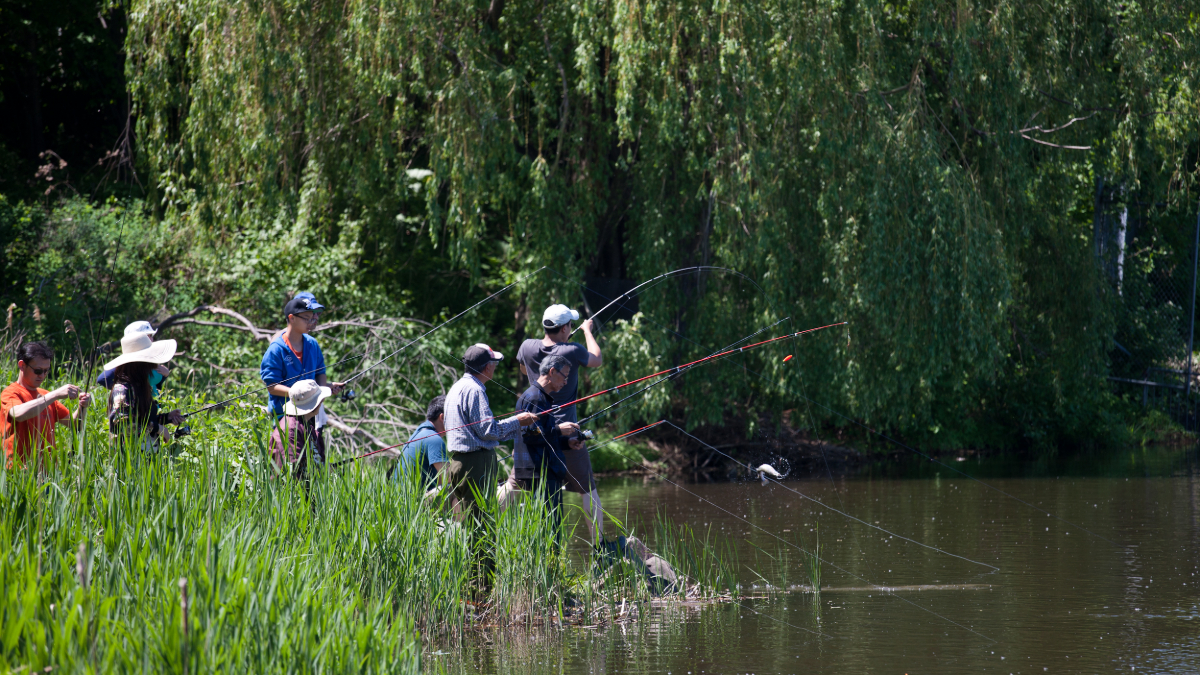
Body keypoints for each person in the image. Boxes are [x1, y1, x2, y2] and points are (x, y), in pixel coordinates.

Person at [443, 343, 538, 588]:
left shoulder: (456, 388)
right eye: (493, 364)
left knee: (466, 524)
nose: (494, 368)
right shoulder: (475, 390)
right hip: (476, 463)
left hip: (456, 463)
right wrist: (519, 421)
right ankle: (482, 586)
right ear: (487, 366)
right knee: (482, 526)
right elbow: (488, 430)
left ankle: (468, 583)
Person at [513, 303, 605, 543]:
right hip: (567, 435)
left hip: (535, 431)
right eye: (571, 325)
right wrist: (586, 330)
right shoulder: (572, 350)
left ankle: (484, 520)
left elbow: (524, 369)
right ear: (565, 328)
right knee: (588, 490)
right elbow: (596, 359)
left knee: (514, 484)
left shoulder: (527, 346)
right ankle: (599, 548)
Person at [503, 354, 581, 536]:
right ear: (552, 372)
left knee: (547, 529)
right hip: (541, 474)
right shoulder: (536, 398)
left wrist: (567, 442)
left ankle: (550, 564)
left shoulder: (539, 396)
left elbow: (542, 435)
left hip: (541, 471)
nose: (566, 381)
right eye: (565, 376)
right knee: (551, 531)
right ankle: (551, 564)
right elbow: (530, 435)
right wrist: (559, 430)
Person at [1, 341, 91, 468]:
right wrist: (54, 394)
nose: (42, 376)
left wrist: (83, 406)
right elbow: (18, 414)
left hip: (47, 475)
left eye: (46, 371)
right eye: (38, 371)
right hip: (19, 475)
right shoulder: (11, 392)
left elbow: (74, 423)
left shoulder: (45, 395)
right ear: (22, 365)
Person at [260, 294, 345, 427]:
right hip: (285, 417)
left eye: (312, 318)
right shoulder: (276, 349)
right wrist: (295, 393)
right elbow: (272, 386)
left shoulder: (312, 344)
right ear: (292, 318)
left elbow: (320, 371)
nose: (311, 322)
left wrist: (323, 389)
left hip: (310, 415)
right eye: (306, 318)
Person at [102, 331, 184, 452]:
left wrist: (167, 418)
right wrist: (158, 428)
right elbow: (123, 425)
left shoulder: (140, 384)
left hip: (147, 456)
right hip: (130, 459)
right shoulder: (123, 389)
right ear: (140, 363)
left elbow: (142, 419)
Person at [268, 379, 330, 480]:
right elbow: (288, 473)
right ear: (314, 405)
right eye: (320, 399)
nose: (322, 401)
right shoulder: (289, 431)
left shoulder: (306, 425)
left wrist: (324, 468)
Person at [396, 395, 449, 490]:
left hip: (402, 498)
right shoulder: (434, 439)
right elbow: (448, 477)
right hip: (416, 500)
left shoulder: (419, 432)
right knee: (460, 491)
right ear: (442, 417)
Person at [96, 321, 163, 392]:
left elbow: (153, 384)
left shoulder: (149, 358)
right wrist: (125, 391)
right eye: (147, 336)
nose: (150, 340)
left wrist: (165, 375)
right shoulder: (127, 362)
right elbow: (102, 379)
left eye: (150, 336)